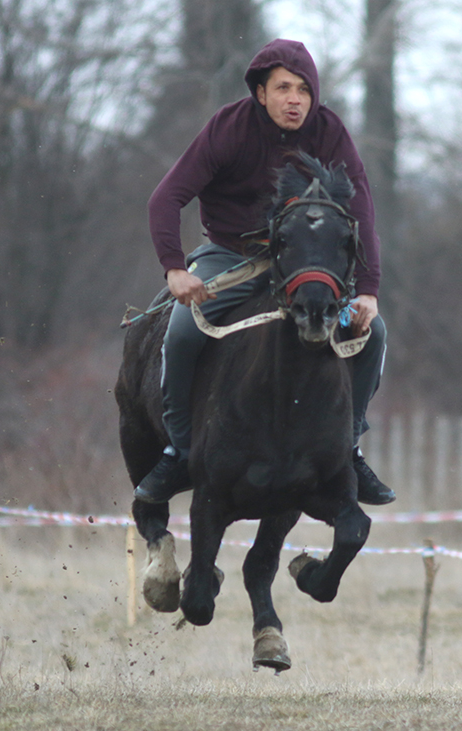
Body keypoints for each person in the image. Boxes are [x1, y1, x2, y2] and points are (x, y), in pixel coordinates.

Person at [135, 38, 394, 506]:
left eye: (304, 90)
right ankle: (178, 451)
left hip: (301, 264)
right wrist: (175, 268)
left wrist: (369, 290)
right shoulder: (227, 128)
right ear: (260, 92)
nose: (295, 100)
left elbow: (363, 211)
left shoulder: (330, 131)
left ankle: (349, 449)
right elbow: (165, 199)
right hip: (229, 255)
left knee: (372, 333)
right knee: (181, 333)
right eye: (283, 88)